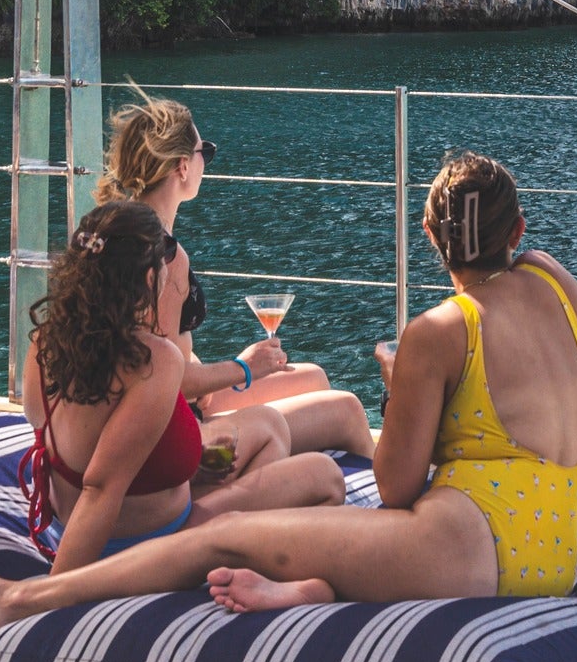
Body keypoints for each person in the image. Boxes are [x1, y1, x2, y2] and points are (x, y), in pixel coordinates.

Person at [0, 151, 577, 618]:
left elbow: (392, 486)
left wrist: (401, 389)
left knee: (215, 538)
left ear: (427, 236)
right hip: (551, 550)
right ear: (519, 234)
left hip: (461, 550)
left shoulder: (439, 332)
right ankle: (308, 588)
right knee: (312, 501)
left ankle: (22, 604)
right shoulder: (556, 281)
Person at [15, 199, 345, 572]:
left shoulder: (45, 339)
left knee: (268, 424)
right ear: (149, 278)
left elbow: (51, 425)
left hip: (67, 518)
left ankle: (241, 538)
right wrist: (52, 595)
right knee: (324, 475)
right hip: (141, 542)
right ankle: (232, 546)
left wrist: (184, 464)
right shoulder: (152, 359)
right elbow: (101, 488)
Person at [96, 91, 375, 459]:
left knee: (313, 378)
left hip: (151, 402)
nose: (205, 163)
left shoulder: (114, 229)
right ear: (182, 166)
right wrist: (245, 367)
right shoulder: (164, 256)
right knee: (349, 410)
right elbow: (163, 378)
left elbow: (144, 344)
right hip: (169, 425)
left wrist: (203, 366)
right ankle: (381, 502)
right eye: (204, 153)